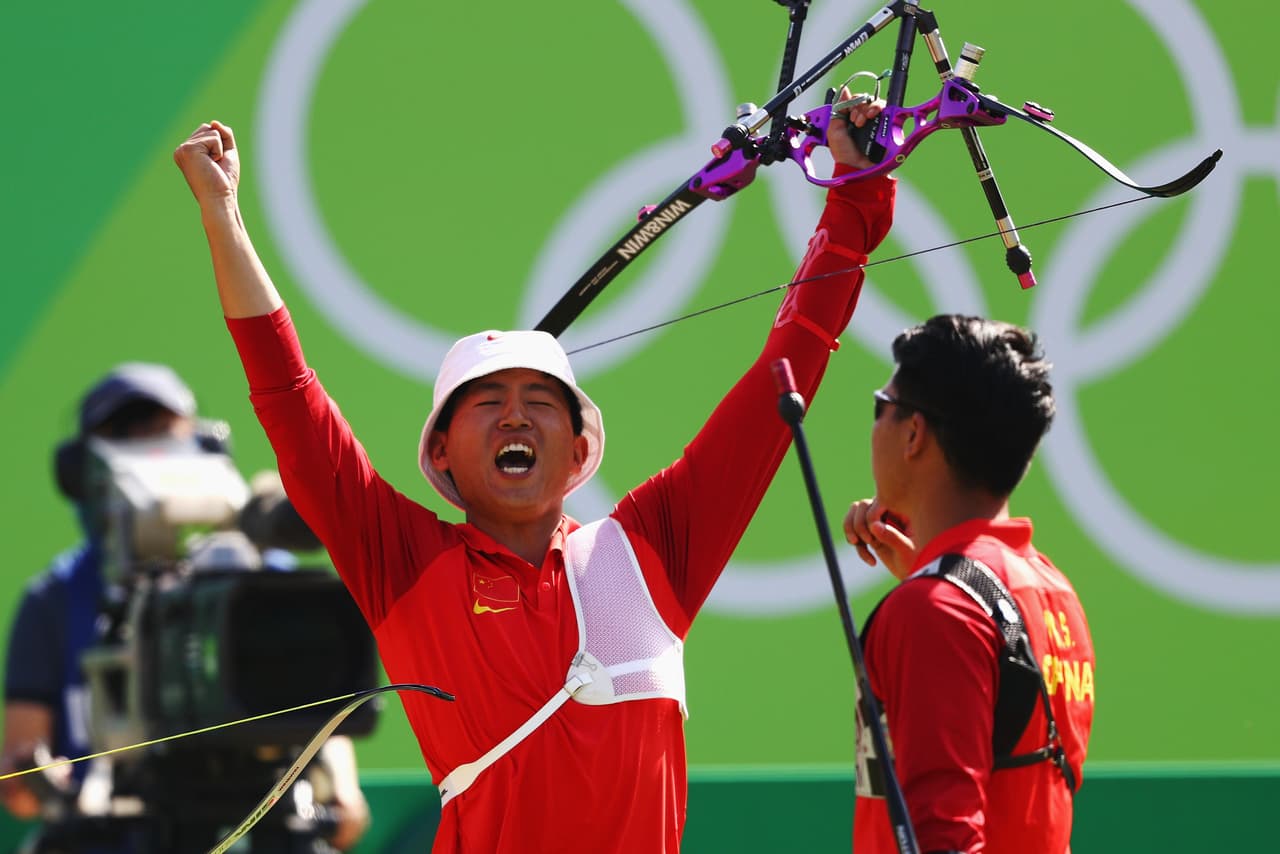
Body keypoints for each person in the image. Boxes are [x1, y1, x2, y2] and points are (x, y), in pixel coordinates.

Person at [172, 90, 896, 852]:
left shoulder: (650, 554)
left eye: (541, 402)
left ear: (581, 449)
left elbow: (785, 370)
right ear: (441, 453)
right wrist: (224, 215)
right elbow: (289, 398)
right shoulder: (404, 563)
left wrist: (854, 198)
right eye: (486, 401)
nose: (515, 416)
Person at [0, 363, 371, 853]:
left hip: (265, 819)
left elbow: (319, 705)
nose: (146, 447)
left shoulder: (265, 580)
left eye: (161, 430)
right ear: (81, 470)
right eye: (123, 434)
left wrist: (341, 792)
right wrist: (42, 779)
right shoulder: (55, 598)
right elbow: (18, 782)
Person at [842, 315, 1096, 853]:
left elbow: (944, 838)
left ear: (914, 434)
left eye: (879, 407)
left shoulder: (934, 612)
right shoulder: (1053, 589)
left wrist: (931, 589)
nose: (874, 426)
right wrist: (929, 571)